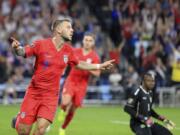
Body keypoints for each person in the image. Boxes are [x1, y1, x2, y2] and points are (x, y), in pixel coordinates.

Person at [10, 18, 114, 135]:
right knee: (23, 131)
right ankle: (19, 120)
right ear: (59, 30)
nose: (72, 30)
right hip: (34, 93)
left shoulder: (68, 51)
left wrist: (99, 66)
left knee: (41, 129)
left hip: (51, 96)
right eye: (68, 27)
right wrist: (17, 48)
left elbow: (79, 64)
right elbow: (23, 51)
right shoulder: (41, 44)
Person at [57, 32, 101, 135]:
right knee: (65, 101)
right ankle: (63, 109)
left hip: (82, 85)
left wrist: (87, 66)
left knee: (73, 108)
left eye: (90, 41)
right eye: (86, 40)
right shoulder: (75, 51)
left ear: (93, 43)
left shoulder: (94, 57)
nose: (87, 42)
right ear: (82, 41)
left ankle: (63, 128)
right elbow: (66, 61)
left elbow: (98, 73)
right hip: (71, 80)